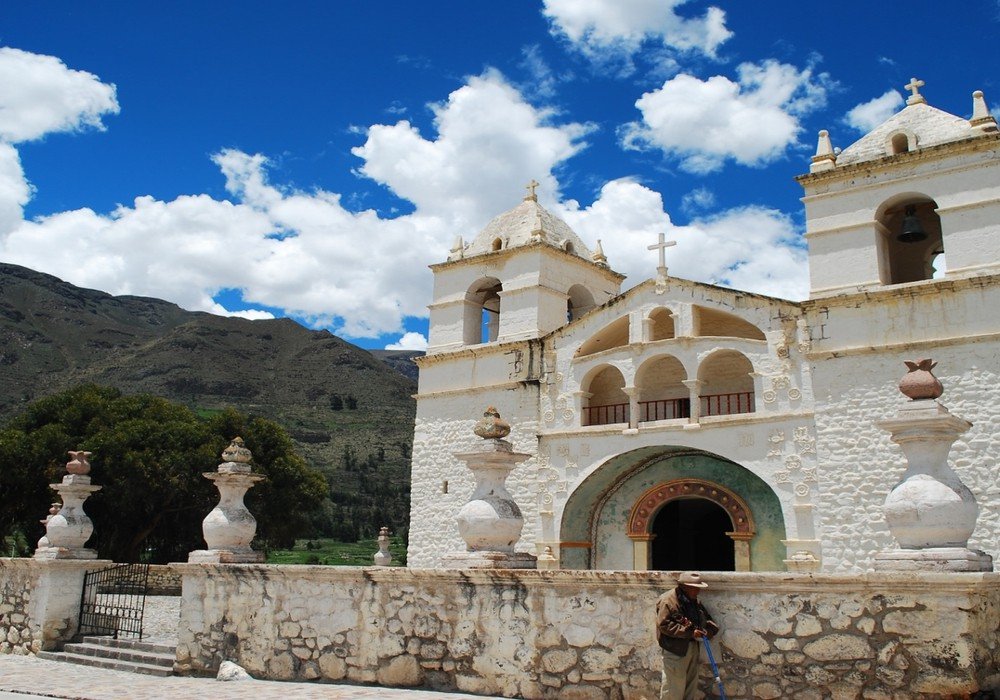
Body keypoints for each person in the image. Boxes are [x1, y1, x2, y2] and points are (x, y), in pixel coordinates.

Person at [655, 571, 720, 699]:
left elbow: (708, 620)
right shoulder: (668, 601)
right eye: (695, 588)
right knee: (673, 688)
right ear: (685, 587)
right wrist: (691, 633)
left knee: (690, 686)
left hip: (692, 649)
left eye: (698, 589)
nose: (697, 592)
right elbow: (664, 625)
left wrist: (708, 631)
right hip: (675, 651)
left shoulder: (694, 601)